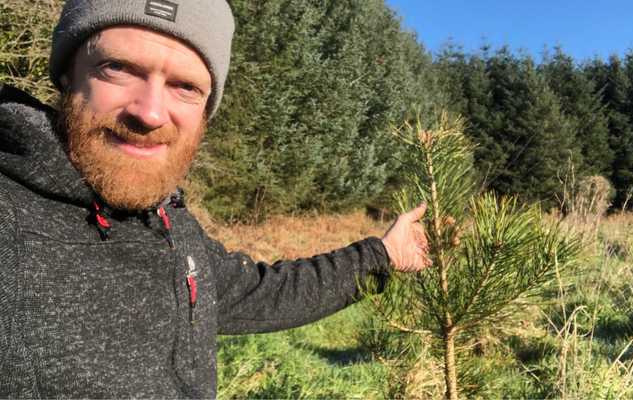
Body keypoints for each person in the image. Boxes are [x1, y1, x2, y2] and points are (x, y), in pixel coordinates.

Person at [0, 0, 430, 397]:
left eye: (185, 86)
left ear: (207, 107)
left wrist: (384, 255)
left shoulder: (167, 221)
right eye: (118, 67)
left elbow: (259, 292)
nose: (149, 113)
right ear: (66, 73)